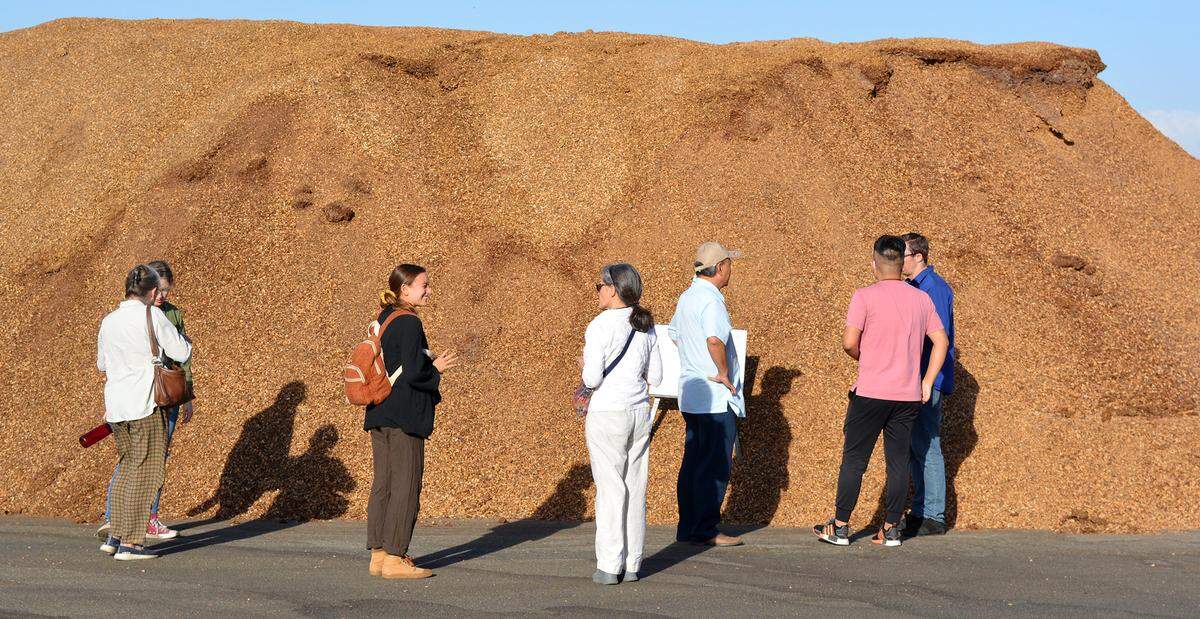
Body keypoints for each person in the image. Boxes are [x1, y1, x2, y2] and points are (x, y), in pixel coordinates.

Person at [814, 235, 948, 548]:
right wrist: (926, 381)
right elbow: (941, 341)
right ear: (902, 264)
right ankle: (890, 529)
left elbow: (849, 342)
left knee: (854, 461)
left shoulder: (864, 296)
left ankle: (841, 526)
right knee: (898, 462)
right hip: (907, 395)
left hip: (871, 392)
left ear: (875, 264)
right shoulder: (921, 299)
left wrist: (866, 355)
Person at [365, 264, 459, 579]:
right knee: (406, 484)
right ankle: (394, 556)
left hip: (378, 409)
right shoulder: (409, 322)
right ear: (405, 289)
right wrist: (438, 369)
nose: (428, 290)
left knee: (384, 483)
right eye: (424, 285)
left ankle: (379, 555)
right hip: (404, 413)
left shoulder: (382, 319)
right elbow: (415, 371)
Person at [96, 264, 192, 560]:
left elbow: (102, 364)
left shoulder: (109, 320)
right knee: (148, 472)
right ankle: (132, 544)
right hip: (145, 403)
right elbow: (181, 352)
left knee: (127, 467)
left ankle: (116, 536)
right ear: (152, 291)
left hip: (116, 405)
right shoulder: (154, 315)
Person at [581, 263, 663, 585]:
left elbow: (591, 378)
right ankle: (632, 563)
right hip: (639, 412)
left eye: (599, 286)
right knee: (635, 486)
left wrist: (585, 364)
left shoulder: (598, 327)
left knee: (610, 489)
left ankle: (609, 565)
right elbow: (655, 377)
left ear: (613, 289)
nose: (597, 291)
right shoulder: (646, 325)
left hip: (607, 413)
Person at [667, 241, 746, 548]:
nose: (731, 269)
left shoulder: (687, 297)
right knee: (714, 465)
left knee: (693, 463)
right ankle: (706, 529)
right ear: (720, 268)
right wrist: (722, 371)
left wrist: (694, 358)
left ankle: (688, 527)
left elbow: (675, 335)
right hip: (714, 396)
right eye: (729, 263)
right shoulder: (712, 301)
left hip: (691, 393)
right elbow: (715, 339)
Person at [900, 233, 956, 537]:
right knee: (916, 445)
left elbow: (938, 338)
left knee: (928, 443)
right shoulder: (916, 287)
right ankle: (922, 509)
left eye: (904, 255)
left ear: (918, 256)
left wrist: (928, 380)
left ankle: (934, 514)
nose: (900, 261)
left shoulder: (933, 288)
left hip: (926, 378)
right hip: (916, 377)